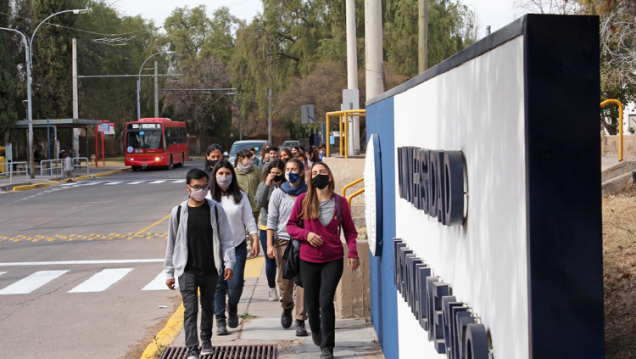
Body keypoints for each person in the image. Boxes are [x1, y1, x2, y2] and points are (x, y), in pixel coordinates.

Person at [287, 162, 359, 359]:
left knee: (325, 299)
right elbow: (291, 226)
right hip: (307, 259)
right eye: (315, 172)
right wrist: (306, 234)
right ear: (310, 178)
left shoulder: (340, 202)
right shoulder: (303, 200)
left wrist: (353, 252)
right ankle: (316, 330)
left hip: (332, 259)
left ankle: (327, 346)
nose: (319, 175)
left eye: (322, 172)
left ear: (329, 176)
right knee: (312, 304)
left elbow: (351, 231)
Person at [164, 168, 236, 359]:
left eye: (204, 186)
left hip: (211, 269)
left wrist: (229, 263)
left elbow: (226, 239)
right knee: (190, 309)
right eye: (196, 187)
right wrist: (169, 272)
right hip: (186, 269)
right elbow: (172, 244)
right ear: (188, 187)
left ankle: (206, 340)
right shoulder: (178, 212)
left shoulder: (215, 209)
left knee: (208, 306)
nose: (201, 190)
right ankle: (192, 348)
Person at [206, 160, 260, 335]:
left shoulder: (240, 196)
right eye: (220, 173)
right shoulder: (208, 198)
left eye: (227, 173)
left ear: (233, 175)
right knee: (218, 285)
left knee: (235, 284)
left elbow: (249, 219)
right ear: (214, 176)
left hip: (237, 246)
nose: (224, 177)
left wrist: (255, 238)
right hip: (215, 249)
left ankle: (233, 306)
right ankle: (220, 319)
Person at [267, 158, 309, 336]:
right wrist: (269, 243)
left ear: (301, 172)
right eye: (288, 169)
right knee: (285, 280)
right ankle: (287, 306)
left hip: (304, 241)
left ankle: (300, 318)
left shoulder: (309, 193)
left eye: (294, 169)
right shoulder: (278, 193)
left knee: (302, 281)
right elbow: (271, 219)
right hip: (283, 240)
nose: (291, 172)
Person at [254, 159, 286, 302]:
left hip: (284, 228)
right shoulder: (264, 185)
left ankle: (285, 289)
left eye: (277, 173)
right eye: (271, 173)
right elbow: (259, 202)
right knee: (270, 260)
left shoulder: (287, 186)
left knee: (284, 261)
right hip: (266, 228)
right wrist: (267, 184)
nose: (274, 176)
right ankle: (271, 288)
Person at [234, 149, 264, 251]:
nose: (250, 160)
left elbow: (262, 185)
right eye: (247, 158)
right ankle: (242, 248)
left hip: (254, 204)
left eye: (251, 158)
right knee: (240, 227)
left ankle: (253, 248)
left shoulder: (256, 170)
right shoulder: (234, 172)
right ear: (240, 159)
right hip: (239, 204)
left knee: (253, 226)